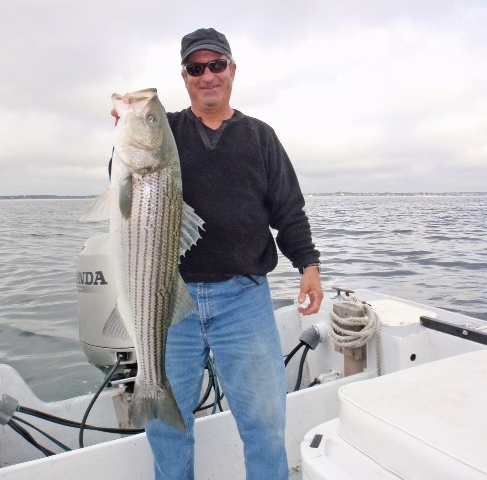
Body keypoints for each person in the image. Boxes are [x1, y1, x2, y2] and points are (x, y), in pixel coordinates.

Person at [116, 27, 323, 480]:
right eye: (196, 68)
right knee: (167, 427)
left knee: (265, 424)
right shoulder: (165, 130)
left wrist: (309, 265)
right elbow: (125, 180)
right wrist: (127, 128)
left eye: (216, 65)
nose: (207, 75)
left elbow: (289, 209)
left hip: (243, 299)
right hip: (169, 299)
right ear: (185, 76)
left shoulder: (260, 137)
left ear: (232, 69)